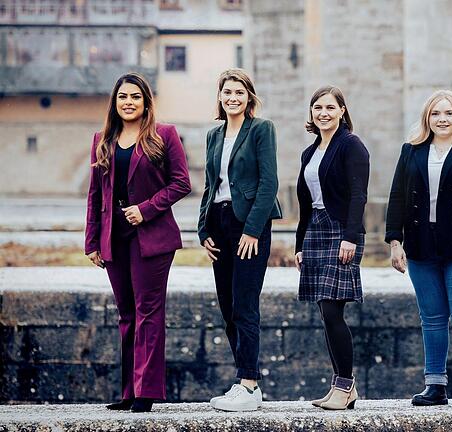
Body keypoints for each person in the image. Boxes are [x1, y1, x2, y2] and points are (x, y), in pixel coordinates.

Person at [85, 72, 191, 412]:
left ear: (146, 102)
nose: (128, 102)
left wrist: (145, 210)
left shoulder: (165, 135)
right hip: (113, 237)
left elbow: (181, 183)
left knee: (148, 313)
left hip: (152, 237)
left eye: (134, 97)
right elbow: (94, 195)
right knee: (126, 314)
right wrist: (92, 241)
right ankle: (129, 391)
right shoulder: (102, 139)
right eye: (122, 97)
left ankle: (146, 393)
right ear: (114, 103)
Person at [385, 89, 452, 409]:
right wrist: (395, 241)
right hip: (421, 245)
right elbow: (397, 198)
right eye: (436, 114)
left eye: (448, 113)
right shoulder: (412, 151)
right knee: (431, 318)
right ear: (427, 118)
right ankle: (435, 386)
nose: (442, 119)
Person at [198, 68, 282, 411]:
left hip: (249, 225)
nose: (232, 97)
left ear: (249, 97)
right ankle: (244, 379)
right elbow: (209, 185)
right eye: (227, 92)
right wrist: (203, 229)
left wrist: (252, 229)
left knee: (245, 304)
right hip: (218, 223)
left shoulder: (262, 129)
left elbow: (269, 183)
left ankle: (249, 385)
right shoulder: (214, 134)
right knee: (228, 307)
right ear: (219, 96)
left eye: (239, 92)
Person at [295, 86, 369, 411]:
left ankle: (345, 384)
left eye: (329, 107)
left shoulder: (351, 146)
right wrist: (299, 244)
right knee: (325, 313)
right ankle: (341, 386)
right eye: (317, 108)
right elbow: (304, 203)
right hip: (315, 230)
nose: (323, 113)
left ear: (342, 110)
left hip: (341, 231)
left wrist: (350, 237)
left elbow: (358, 195)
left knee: (331, 309)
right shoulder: (309, 153)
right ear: (311, 113)